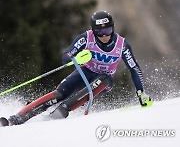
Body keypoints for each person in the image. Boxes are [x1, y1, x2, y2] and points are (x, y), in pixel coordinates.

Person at [7, 10, 152, 125]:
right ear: (94, 31)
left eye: (108, 31)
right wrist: (73, 59)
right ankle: (17, 118)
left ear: (112, 28)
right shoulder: (86, 38)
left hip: (104, 80)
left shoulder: (122, 45)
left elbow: (134, 68)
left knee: (105, 80)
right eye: (100, 33)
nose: (104, 36)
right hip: (84, 72)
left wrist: (141, 92)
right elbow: (66, 56)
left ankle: (64, 109)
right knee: (59, 94)